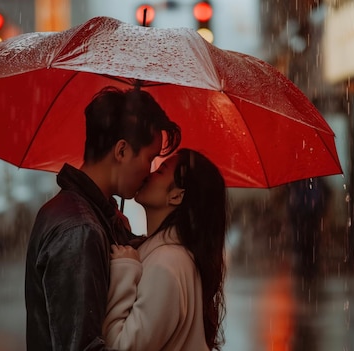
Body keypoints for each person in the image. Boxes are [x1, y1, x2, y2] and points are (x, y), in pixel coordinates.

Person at [24, 86, 181, 351]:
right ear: (121, 151)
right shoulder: (80, 229)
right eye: (150, 158)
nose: (150, 170)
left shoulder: (93, 215)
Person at [102, 148, 227, 351]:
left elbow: (122, 347)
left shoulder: (165, 264)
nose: (148, 175)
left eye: (160, 171)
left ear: (176, 196)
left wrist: (123, 271)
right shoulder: (175, 255)